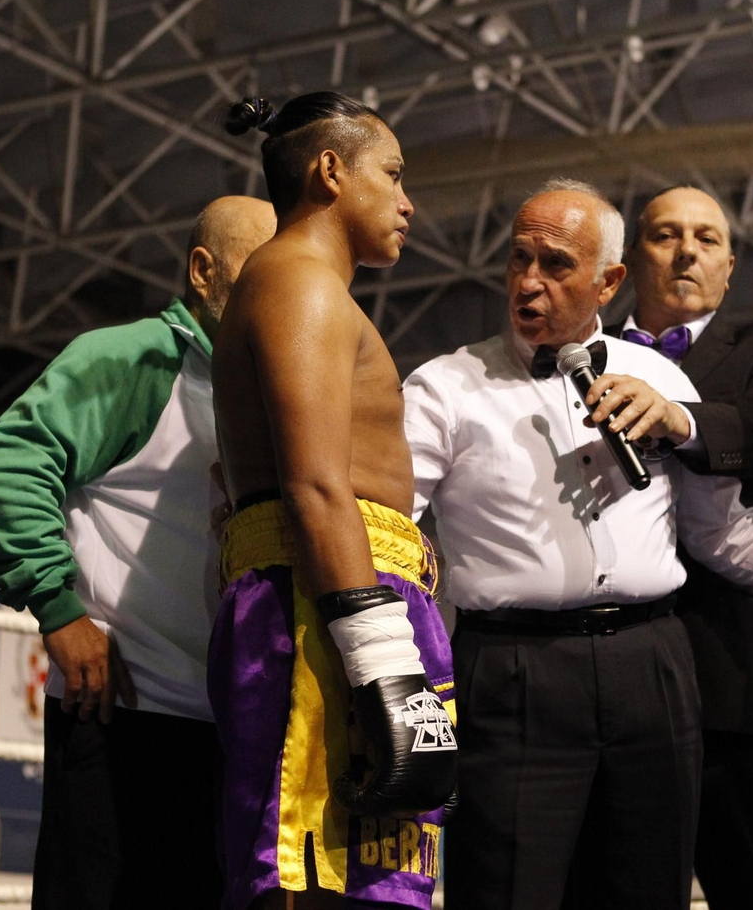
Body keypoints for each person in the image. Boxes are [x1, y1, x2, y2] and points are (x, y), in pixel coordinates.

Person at [400, 180, 753, 910]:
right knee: (506, 891)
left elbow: (726, 538)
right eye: (519, 258)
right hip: (513, 671)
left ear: (607, 280)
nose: (528, 281)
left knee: (648, 892)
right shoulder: (442, 388)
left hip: (654, 671)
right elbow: (391, 527)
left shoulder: (658, 380)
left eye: (556, 264)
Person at [0, 193, 276, 910]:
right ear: (205, 270)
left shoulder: (265, 390)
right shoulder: (130, 358)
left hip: (233, 729)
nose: (277, 290)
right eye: (259, 269)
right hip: (126, 719)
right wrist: (58, 607)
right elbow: (5, 468)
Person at [208, 92, 458, 910]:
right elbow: (315, 483)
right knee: (310, 879)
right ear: (329, 171)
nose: (407, 199)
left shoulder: (310, 288)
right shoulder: (298, 283)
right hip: (322, 615)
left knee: (372, 886)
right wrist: (382, 664)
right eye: (391, 174)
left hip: (347, 605)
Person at [608, 185, 753, 910]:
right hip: (606, 685)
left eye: (705, 237)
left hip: (728, 676)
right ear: (630, 260)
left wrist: (679, 420)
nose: (687, 249)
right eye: (665, 234)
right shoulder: (578, 357)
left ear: (729, 265)